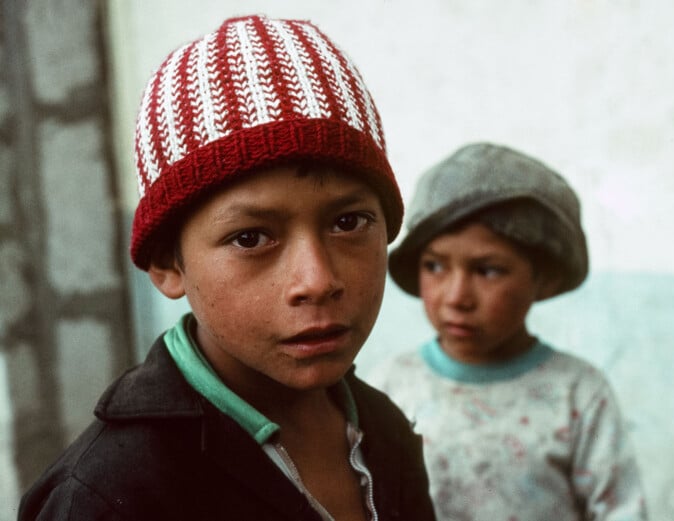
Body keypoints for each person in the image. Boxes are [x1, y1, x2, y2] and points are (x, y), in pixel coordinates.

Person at [19, 14, 436, 521]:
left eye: (348, 222)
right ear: (167, 263)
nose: (317, 280)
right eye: (250, 238)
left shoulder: (383, 432)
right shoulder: (107, 497)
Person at [368, 142, 648, 520]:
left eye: (488, 270)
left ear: (544, 279)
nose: (457, 297)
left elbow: (620, 510)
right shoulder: (390, 386)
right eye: (435, 266)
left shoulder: (578, 394)